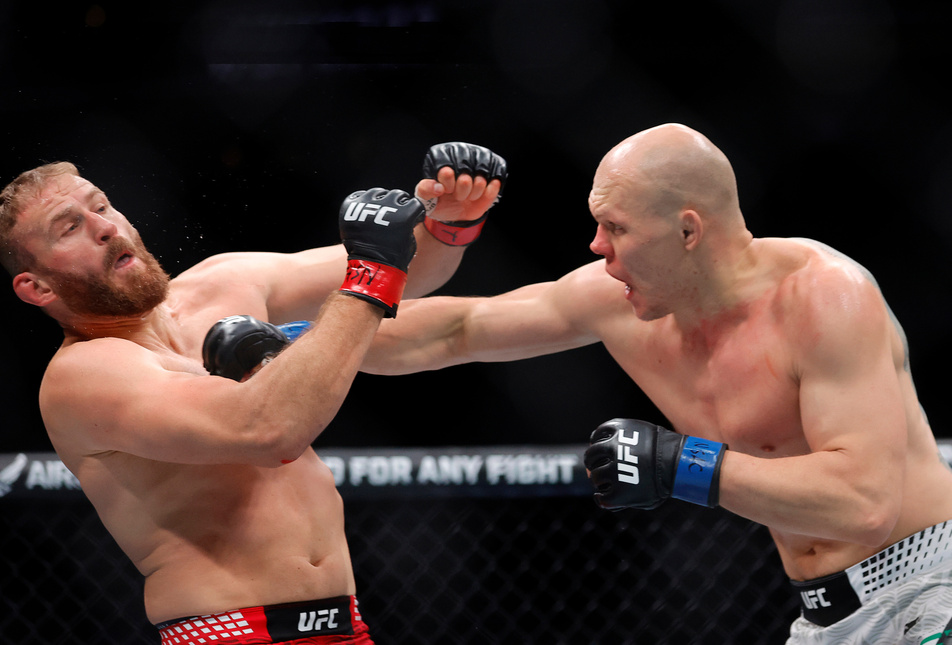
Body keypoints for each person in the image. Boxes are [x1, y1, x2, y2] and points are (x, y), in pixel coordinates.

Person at [363, 124, 952, 644]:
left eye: (615, 227)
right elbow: (456, 330)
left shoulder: (823, 298)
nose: (596, 246)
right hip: (822, 617)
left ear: (688, 231)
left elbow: (864, 503)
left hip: (930, 588)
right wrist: (296, 343)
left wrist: (681, 464)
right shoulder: (617, 297)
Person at [0, 142, 507, 644]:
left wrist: (451, 221)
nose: (102, 227)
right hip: (233, 630)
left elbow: (414, 267)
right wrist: (371, 272)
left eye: (101, 205)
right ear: (38, 287)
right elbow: (268, 430)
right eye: (69, 227)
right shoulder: (84, 375)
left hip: (346, 624)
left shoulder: (226, 280)